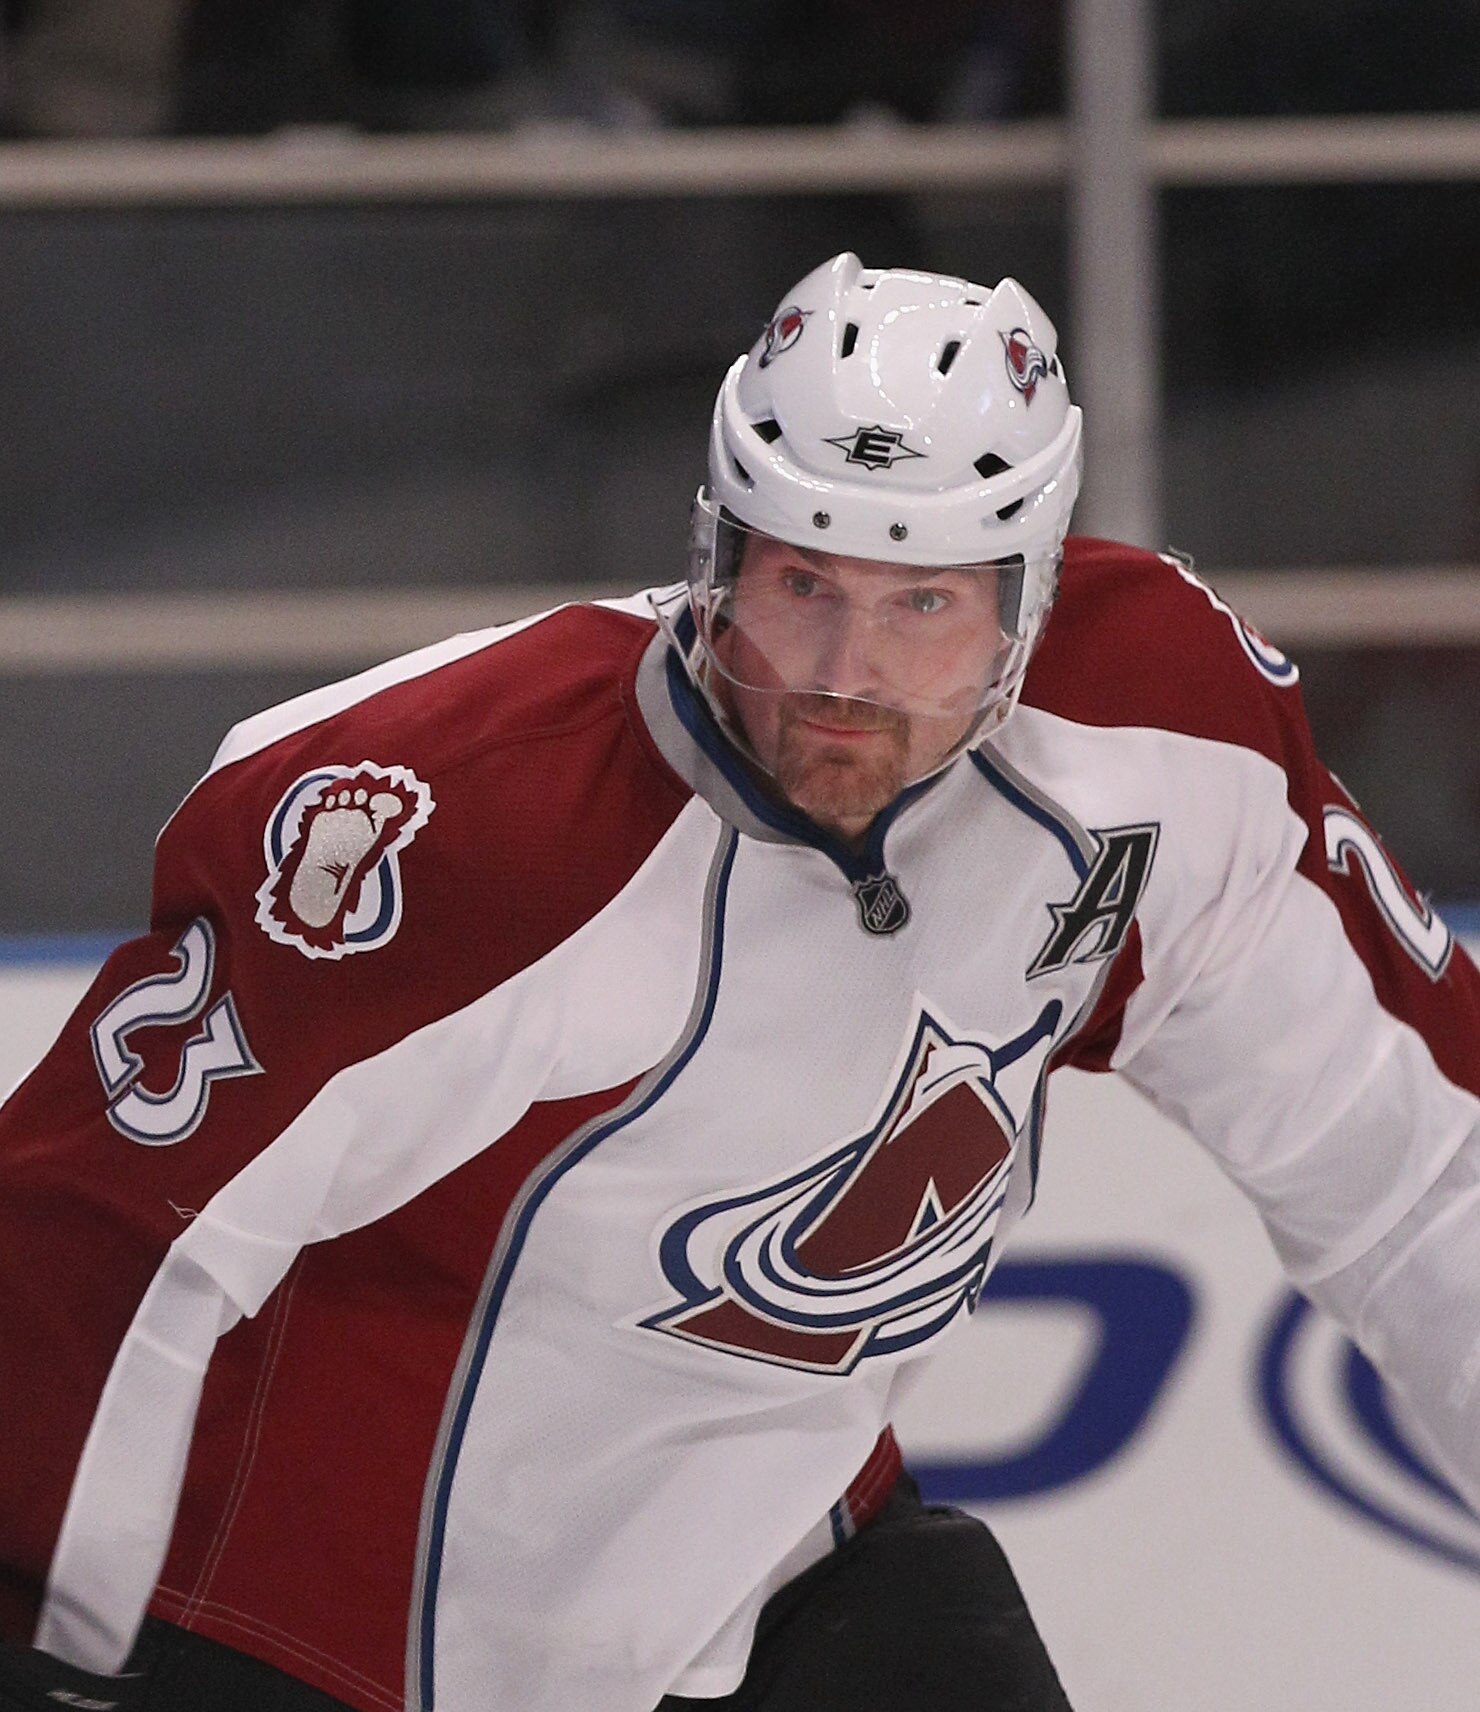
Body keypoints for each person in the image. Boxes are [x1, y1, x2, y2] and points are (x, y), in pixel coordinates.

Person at [3, 252, 1479, 1712]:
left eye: (925, 607)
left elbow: (1421, 1174)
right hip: (299, 1632)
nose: (845, 672)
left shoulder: (1164, 744)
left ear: (1029, 599)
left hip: (781, 1584)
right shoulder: (456, 823)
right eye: (803, 583)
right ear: (716, 552)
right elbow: (86, 1245)